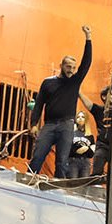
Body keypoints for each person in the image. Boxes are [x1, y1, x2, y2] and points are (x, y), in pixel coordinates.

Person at [28, 27, 93, 177]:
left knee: (62, 160)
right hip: (49, 125)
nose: (71, 70)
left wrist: (88, 38)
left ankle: (58, 188)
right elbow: (39, 105)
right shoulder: (48, 83)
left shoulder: (75, 81)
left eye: (73, 68)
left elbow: (87, 62)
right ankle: (29, 180)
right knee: (38, 155)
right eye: (68, 66)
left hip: (67, 124)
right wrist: (33, 124)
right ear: (61, 66)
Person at [66, 109, 95, 178]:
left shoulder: (90, 136)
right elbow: (68, 150)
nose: (80, 119)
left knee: (84, 184)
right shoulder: (71, 133)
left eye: (83, 117)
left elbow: (91, 154)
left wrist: (85, 149)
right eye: (78, 117)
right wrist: (78, 150)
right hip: (72, 162)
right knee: (73, 183)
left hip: (85, 163)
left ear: (86, 119)